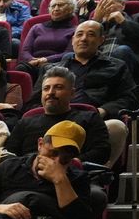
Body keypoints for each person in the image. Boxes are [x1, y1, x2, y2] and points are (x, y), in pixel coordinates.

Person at [54, 20, 134, 165]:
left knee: (117, 127)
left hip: (95, 123)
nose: (83, 38)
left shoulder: (116, 66)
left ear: (101, 40)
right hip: (55, 121)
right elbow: (33, 101)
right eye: (79, 34)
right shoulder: (53, 70)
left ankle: (97, 176)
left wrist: (103, 110)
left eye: (90, 34)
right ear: (73, 40)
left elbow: (127, 98)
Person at [6, 66, 113, 165]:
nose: (51, 92)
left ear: (72, 93)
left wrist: (68, 163)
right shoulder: (25, 122)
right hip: (26, 176)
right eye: (46, 88)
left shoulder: (89, 118)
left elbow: (101, 152)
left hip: (73, 176)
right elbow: (9, 154)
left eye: (58, 87)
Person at [18, 0, 77, 80]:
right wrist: (34, 60)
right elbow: (25, 51)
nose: (56, 9)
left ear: (71, 9)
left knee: (47, 69)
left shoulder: (75, 31)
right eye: (53, 6)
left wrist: (46, 59)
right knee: (21, 68)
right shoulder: (37, 27)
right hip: (33, 63)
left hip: (57, 64)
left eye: (60, 5)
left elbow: (68, 53)